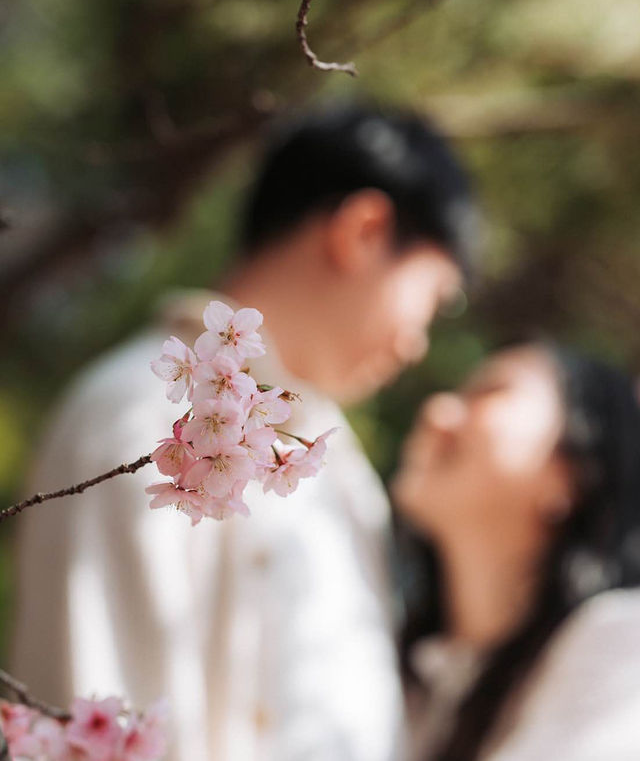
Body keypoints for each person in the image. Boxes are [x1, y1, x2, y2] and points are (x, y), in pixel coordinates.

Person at [12, 103, 478, 761]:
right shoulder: (134, 415)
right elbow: (99, 692)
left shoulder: (333, 461)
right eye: (431, 297)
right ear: (365, 231)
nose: (417, 343)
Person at [392, 341, 640, 761]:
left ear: (574, 473)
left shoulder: (624, 649)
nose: (437, 412)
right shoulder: (417, 677)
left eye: (492, 391)